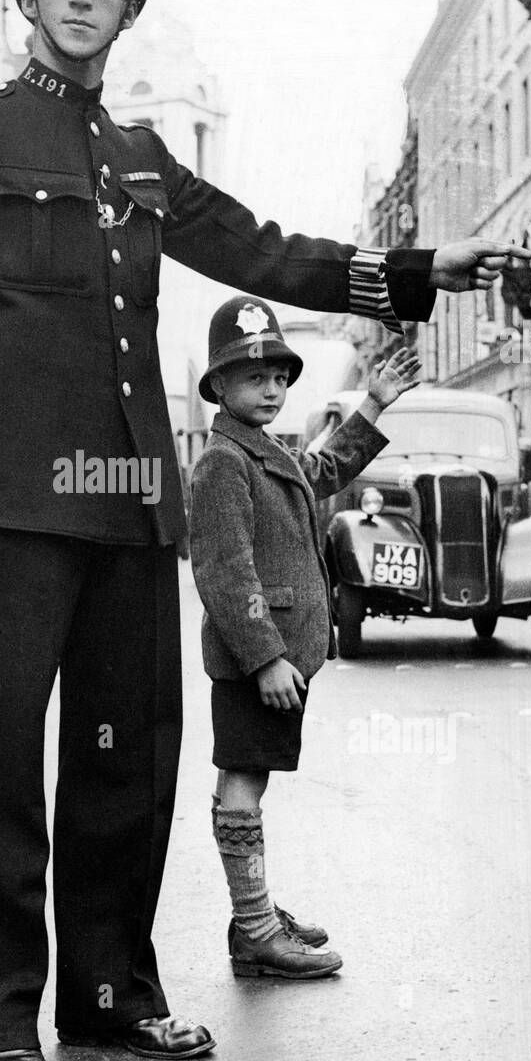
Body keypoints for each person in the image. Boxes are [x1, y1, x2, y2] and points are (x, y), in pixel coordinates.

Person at [0, 0, 531, 1061]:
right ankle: (1, 1018)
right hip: (7, 507)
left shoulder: (138, 156)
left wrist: (410, 269)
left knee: (132, 762)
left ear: (126, 6)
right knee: (3, 764)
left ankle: (113, 996)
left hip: (132, 502)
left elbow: (260, 248)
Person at [189, 299, 419, 977]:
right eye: (252, 377)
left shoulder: (265, 453)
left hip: (280, 661)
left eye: (279, 378)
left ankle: (251, 918)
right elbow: (226, 574)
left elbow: (321, 472)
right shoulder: (222, 463)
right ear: (220, 389)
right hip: (258, 663)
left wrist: (373, 403)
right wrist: (265, 659)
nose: (270, 389)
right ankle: (258, 930)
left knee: (248, 776)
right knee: (242, 777)